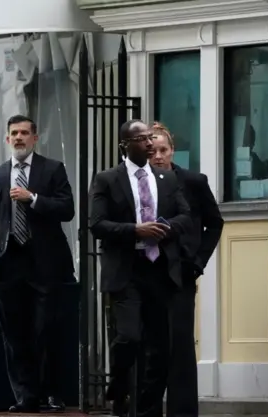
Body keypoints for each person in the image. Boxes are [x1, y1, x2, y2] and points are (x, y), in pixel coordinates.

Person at [89, 119, 192, 417]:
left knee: (160, 349)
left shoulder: (167, 179)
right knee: (129, 336)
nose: (149, 144)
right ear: (125, 145)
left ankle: (148, 410)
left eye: (151, 138)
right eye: (141, 139)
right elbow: (97, 224)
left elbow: (186, 216)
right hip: (126, 270)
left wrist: (165, 227)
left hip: (159, 270)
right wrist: (136, 230)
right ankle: (119, 388)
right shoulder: (107, 179)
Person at [0, 114, 75, 413]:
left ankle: (53, 392)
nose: (19, 138)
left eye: (24, 133)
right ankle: (25, 396)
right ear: (7, 139)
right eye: (14, 133)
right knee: (14, 334)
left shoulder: (52, 169)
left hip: (45, 262)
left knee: (46, 329)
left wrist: (32, 198)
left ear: (35, 138)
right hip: (7, 264)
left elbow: (67, 209)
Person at [148, 121, 224, 417]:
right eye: (152, 151)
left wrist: (198, 260)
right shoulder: (137, 182)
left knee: (180, 342)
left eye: (163, 150)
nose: (158, 156)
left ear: (173, 151)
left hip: (181, 271)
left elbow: (214, 223)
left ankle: (182, 412)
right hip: (146, 272)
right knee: (149, 343)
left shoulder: (193, 181)